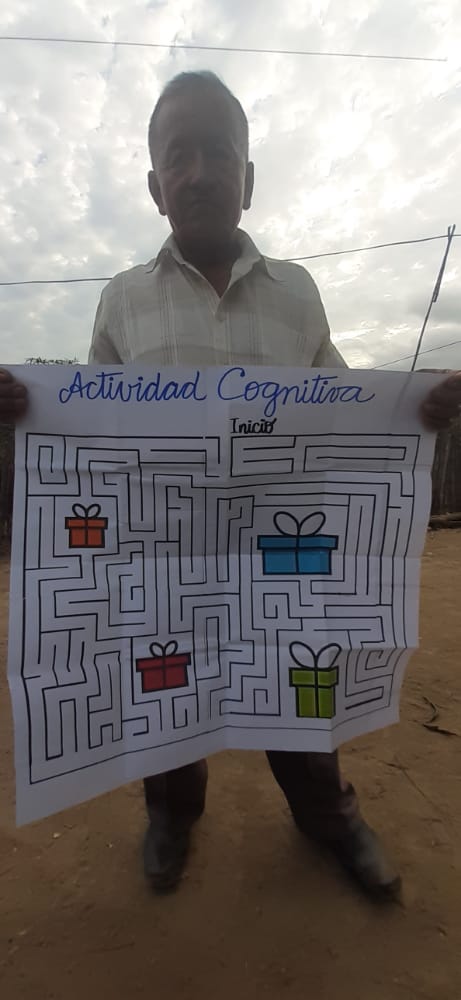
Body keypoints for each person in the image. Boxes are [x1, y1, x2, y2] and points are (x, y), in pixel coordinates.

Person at [2, 71, 460, 900]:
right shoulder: (121, 299)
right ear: (155, 186)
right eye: (178, 156)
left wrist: (412, 409)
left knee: (298, 687)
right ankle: (172, 816)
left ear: (248, 179)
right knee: (165, 688)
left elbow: (343, 406)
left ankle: (328, 817)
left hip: (279, 553)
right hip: (165, 555)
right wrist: (31, 408)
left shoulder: (298, 293)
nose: (200, 172)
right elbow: (90, 424)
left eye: (219, 153)